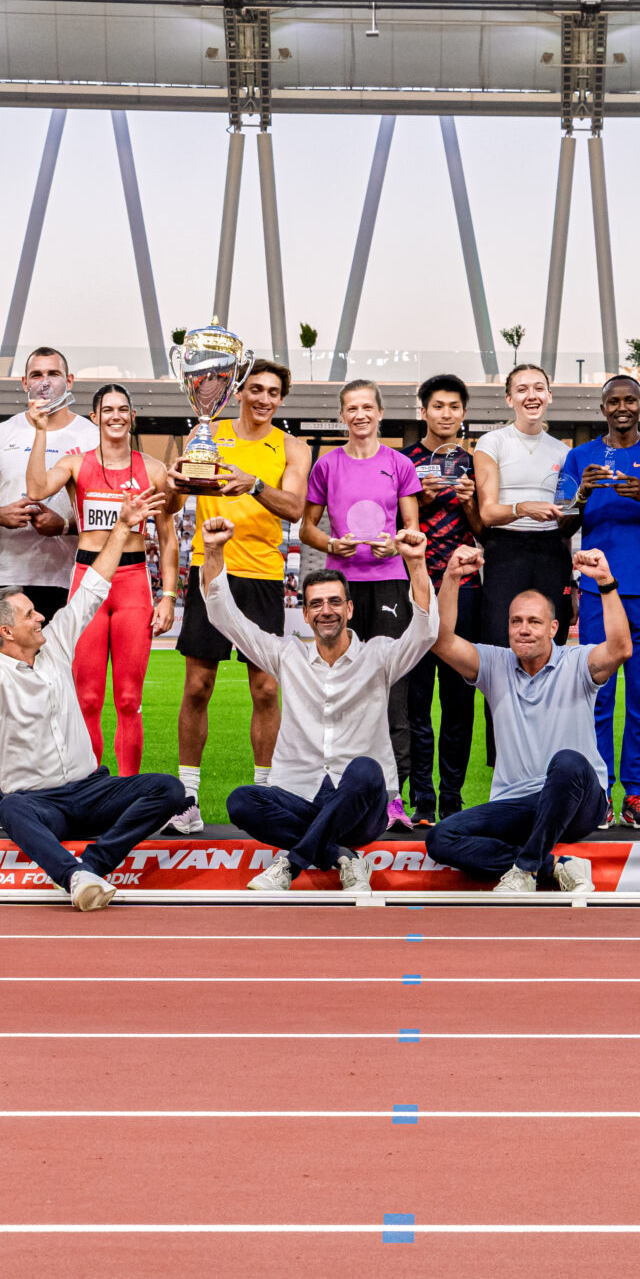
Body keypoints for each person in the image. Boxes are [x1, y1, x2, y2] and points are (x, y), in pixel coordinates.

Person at [0, 495, 185, 909]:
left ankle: (91, 866)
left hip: (93, 791)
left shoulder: (55, 645)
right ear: (6, 632)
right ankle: (74, 877)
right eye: (29, 614)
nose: (40, 616)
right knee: (12, 810)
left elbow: (92, 588)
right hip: (41, 805)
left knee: (167, 789)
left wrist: (123, 527)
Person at [201, 517, 437, 892]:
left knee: (366, 769)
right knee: (242, 801)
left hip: (362, 808)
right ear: (306, 614)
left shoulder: (379, 656)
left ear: (350, 609)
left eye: (334, 602)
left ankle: (290, 863)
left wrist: (417, 563)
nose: (326, 610)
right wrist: (213, 550)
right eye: (317, 604)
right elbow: (224, 617)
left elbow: (425, 630)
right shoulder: (287, 655)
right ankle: (341, 856)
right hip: (300, 795)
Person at [425, 543, 631, 892]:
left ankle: (524, 869)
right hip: (517, 803)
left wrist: (606, 583)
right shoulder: (494, 664)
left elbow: (621, 648)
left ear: (553, 628)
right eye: (516, 621)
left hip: (577, 800)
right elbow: (441, 641)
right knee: (440, 838)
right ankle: (552, 865)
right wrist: (451, 577)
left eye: (534, 622)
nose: (524, 629)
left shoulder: (576, 662)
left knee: (568, 762)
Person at [175, 358, 311, 830]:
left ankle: (267, 792)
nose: (263, 398)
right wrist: (175, 479)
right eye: (255, 389)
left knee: (266, 688)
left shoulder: (291, 447)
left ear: (281, 399)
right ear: (238, 391)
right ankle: (187, 798)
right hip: (210, 567)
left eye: (273, 392)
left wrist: (253, 484)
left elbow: (295, 507)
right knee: (198, 686)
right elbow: (177, 495)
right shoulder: (207, 433)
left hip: (263, 575)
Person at [25, 384, 179, 777]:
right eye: (107, 409)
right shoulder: (77, 464)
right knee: (88, 699)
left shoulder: (153, 470)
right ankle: (91, 788)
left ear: (132, 416)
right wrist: (40, 431)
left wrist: (168, 596)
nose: (115, 416)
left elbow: (167, 537)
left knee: (128, 700)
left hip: (133, 583)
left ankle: (127, 790)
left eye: (123, 409)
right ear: (94, 417)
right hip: (87, 581)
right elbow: (36, 489)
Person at [300, 379, 425, 830]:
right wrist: (332, 543)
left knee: (393, 691)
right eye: (351, 408)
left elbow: (413, 529)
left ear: (380, 412)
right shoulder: (327, 465)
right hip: (341, 587)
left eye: (367, 407)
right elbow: (306, 528)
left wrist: (397, 543)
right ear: (342, 415)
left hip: (390, 584)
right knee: (342, 689)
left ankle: (394, 797)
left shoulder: (399, 464)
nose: (360, 415)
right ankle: (340, 790)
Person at [557, 374, 640, 829]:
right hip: (597, 594)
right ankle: (600, 794)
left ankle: (636, 795)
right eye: (613, 401)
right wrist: (582, 493)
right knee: (598, 697)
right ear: (603, 408)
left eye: (630, 400)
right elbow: (561, 526)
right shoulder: (579, 457)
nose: (622, 407)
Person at [0, 348, 97, 627]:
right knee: (7, 656)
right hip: (10, 578)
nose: (45, 382)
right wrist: (0, 514)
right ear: (25, 382)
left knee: (67, 658)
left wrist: (64, 525)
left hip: (72, 577)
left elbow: (110, 512)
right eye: (36, 375)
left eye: (54, 374)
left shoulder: (92, 437)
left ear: (70, 381)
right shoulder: (1, 434)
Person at [403, 374, 482, 823]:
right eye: (438, 406)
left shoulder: (475, 462)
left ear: (463, 413)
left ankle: (451, 797)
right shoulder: (404, 461)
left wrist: (468, 503)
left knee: (458, 700)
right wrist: (425, 499)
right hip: (416, 588)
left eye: (454, 406)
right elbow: (398, 523)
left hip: (464, 590)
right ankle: (423, 799)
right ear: (424, 411)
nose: (446, 413)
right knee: (416, 701)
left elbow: (484, 528)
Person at [473, 363, 572, 644]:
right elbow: (488, 513)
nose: (532, 396)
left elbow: (566, 524)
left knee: (551, 639)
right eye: (522, 389)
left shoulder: (564, 452)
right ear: (509, 399)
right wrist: (523, 508)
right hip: (506, 548)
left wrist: (571, 583)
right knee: (499, 636)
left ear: (549, 395)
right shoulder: (491, 443)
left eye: (539, 388)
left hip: (551, 551)